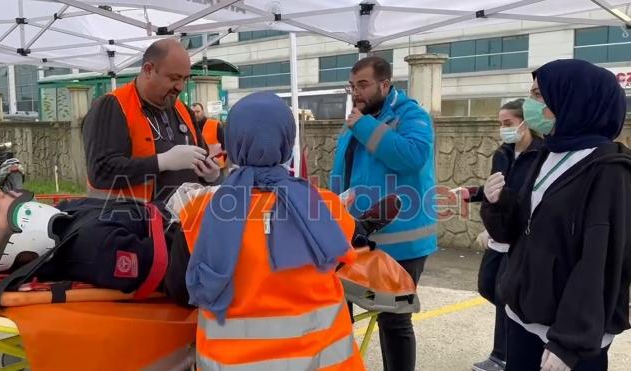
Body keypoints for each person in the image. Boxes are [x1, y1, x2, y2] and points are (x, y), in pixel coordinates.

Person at [181, 92, 366, 370]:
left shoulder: (198, 209)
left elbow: (179, 288)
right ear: (287, 141)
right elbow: (343, 258)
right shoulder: (325, 207)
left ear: (231, 142)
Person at [481, 59, 631, 371]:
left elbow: (600, 262)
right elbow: (522, 229)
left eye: (539, 96)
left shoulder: (609, 170)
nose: (529, 104)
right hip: (523, 316)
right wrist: (500, 204)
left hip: (567, 337)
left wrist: (568, 342)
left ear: (572, 100)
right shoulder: (550, 152)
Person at [329, 56, 435, 371]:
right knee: (336, 311)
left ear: (385, 84)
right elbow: (344, 173)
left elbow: (412, 157)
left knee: (395, 323)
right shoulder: (358, 119)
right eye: (352, 85)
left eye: (363, 84)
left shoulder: (411, 115)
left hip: (402, 243)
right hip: (356, 237)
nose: (356, 92)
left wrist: (362, 125)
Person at [0, 187, 193, 305]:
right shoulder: (95, 250)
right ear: (12, 245)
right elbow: (177, 267)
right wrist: (199, 210)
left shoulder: (63, 219)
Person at [452, 99, 545, 371]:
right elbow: (495, 188)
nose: (503, 129)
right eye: (500, 123)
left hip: (520, 234)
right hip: (498, 230)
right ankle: (519, 333)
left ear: (525, 123)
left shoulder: (542, 154)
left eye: (508, 123)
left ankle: (501, 356)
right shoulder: (502, 153)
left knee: (506, 294)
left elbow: (526, 194)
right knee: (488, 286)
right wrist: (472, 193)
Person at [82, 39, 221, 203]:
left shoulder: (182, 110)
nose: (180, 87)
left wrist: (210, 175)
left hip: (181, 221)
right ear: (148, 70)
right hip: (128, 221)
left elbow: (202, 157)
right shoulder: (112, 106)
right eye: (174, 78)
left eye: (185, 79)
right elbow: (101, 171)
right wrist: (161, 162)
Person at [190, 102, 226, 168]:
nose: (195, 114)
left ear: (203, 112)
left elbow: (225, 147)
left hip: (216, 165)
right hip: (197, 166)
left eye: (198, 112)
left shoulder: (214, 124)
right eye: (193, 112)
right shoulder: (189, 126)